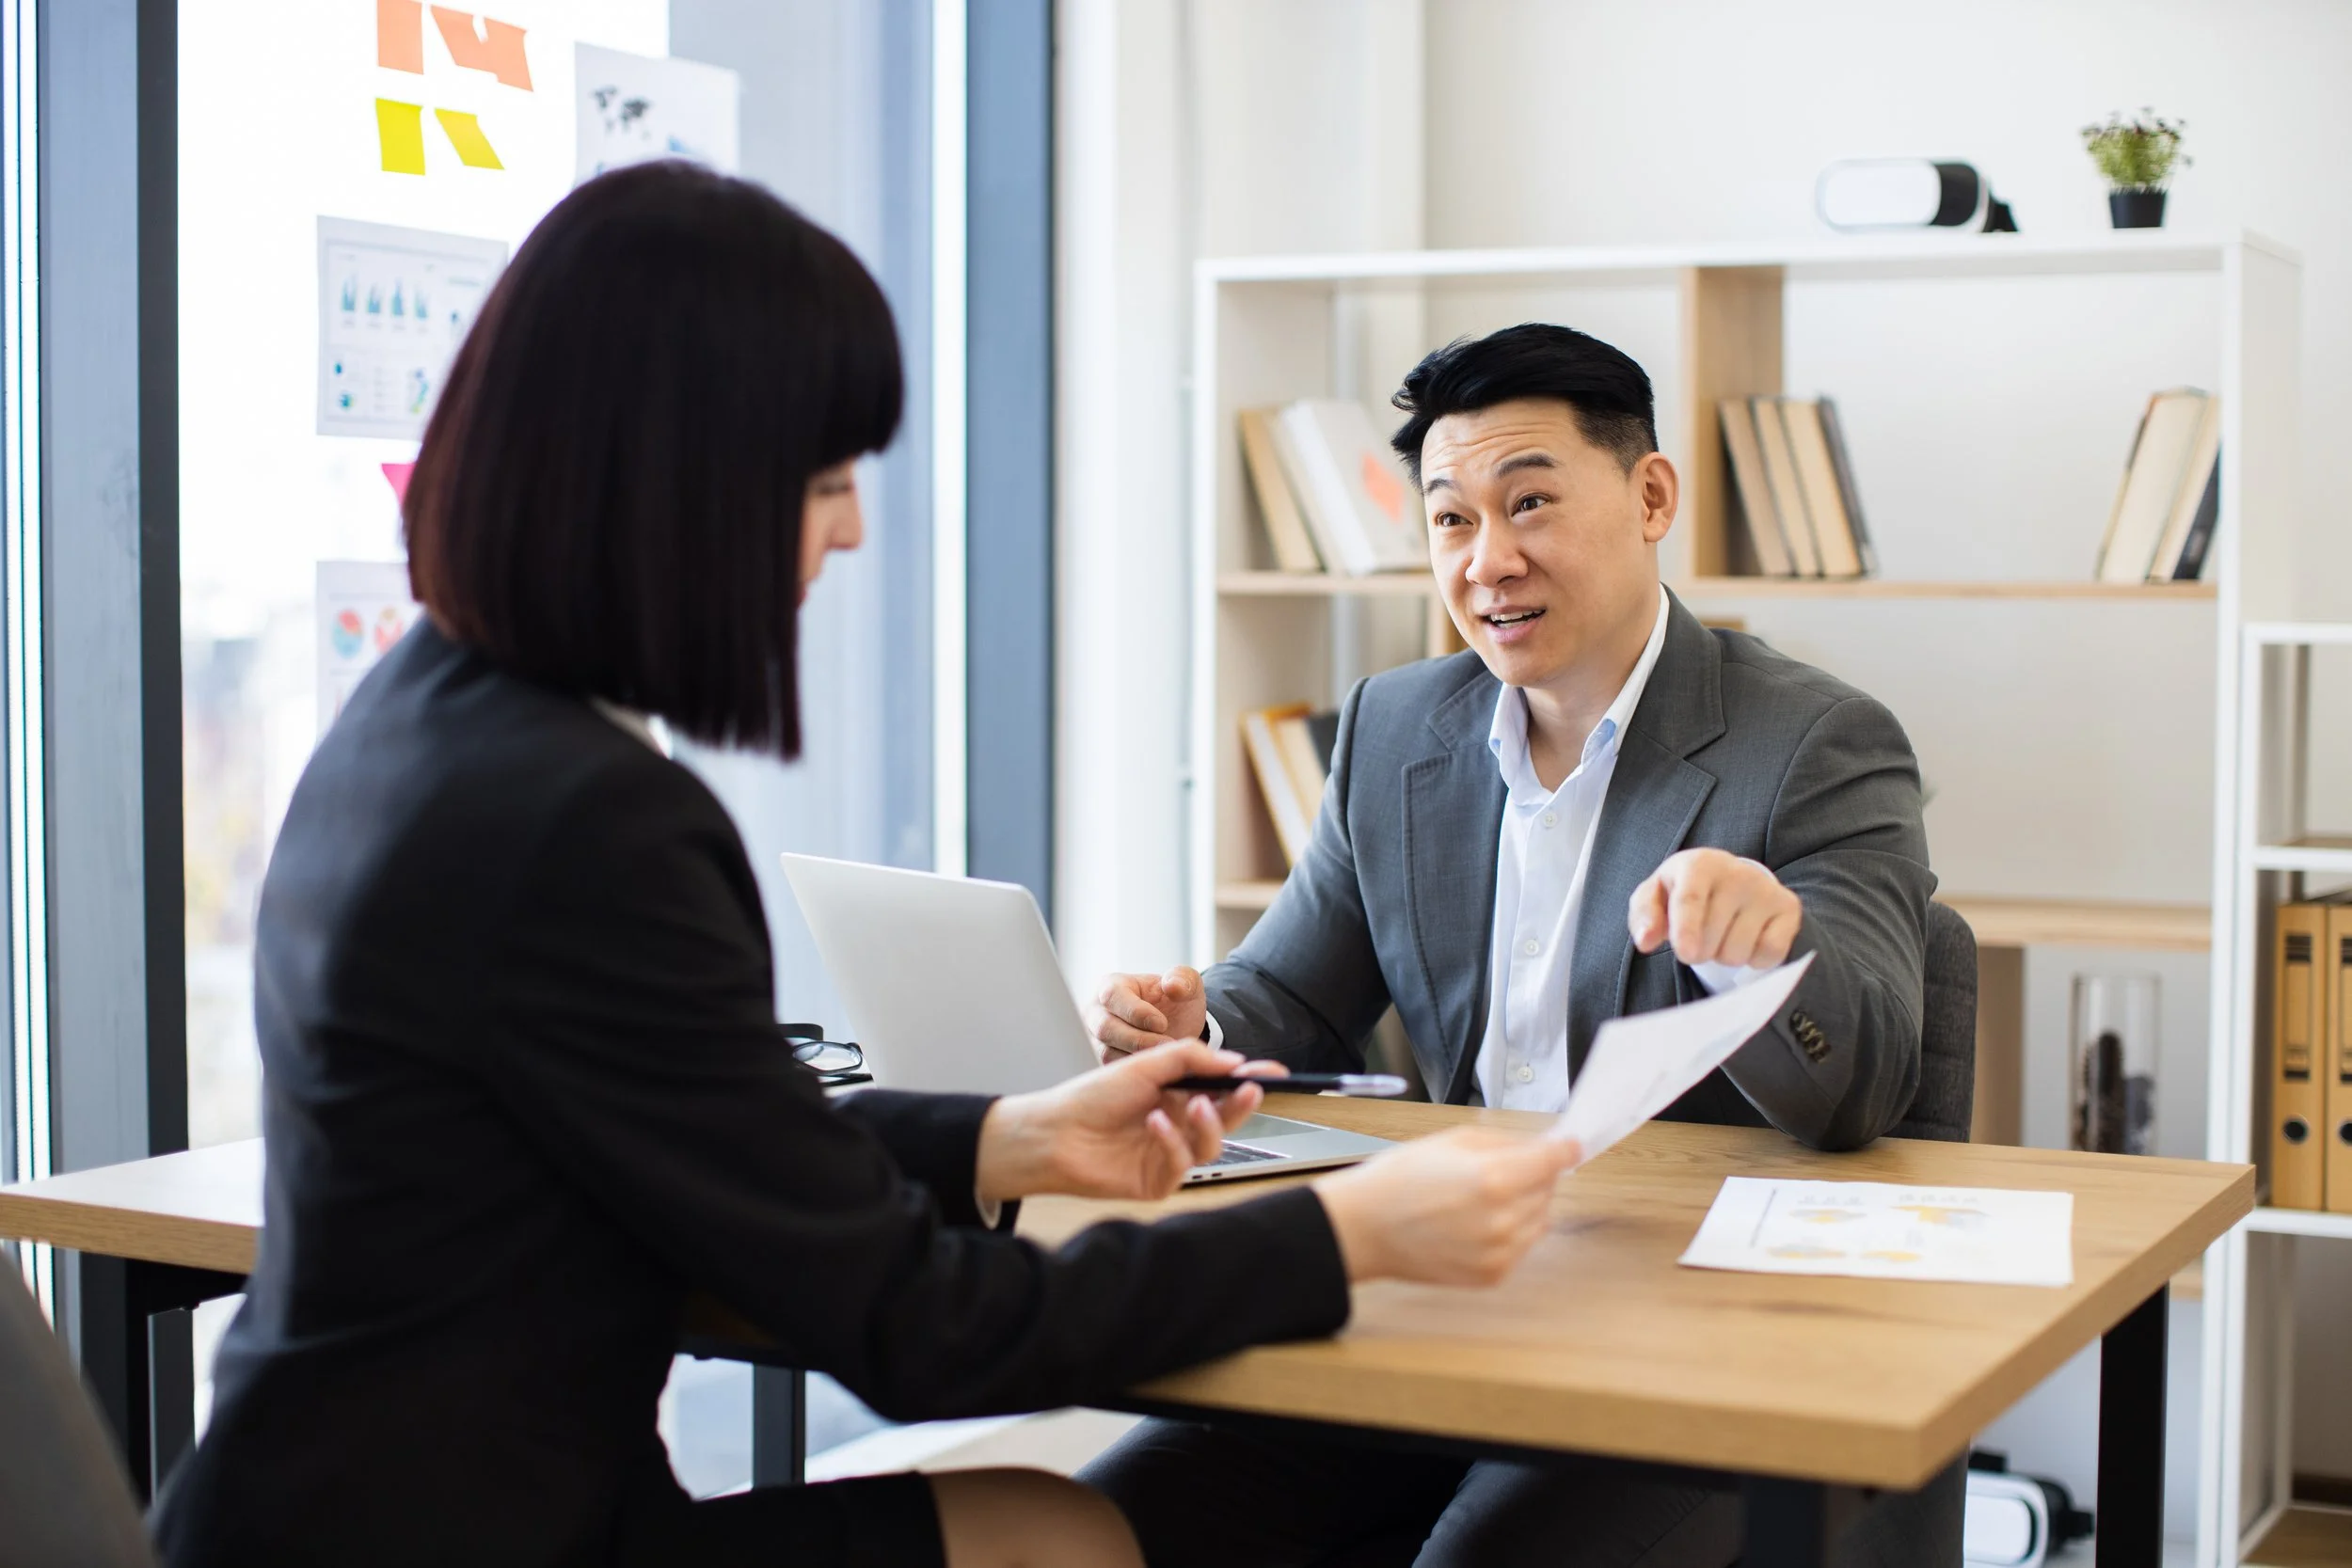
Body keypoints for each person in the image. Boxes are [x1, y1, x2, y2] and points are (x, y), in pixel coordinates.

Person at [150, 166, 1582, 1568]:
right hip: (491, 1535)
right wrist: (1345, 1230)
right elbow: (922, 1332)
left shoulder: (417, 721)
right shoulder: (585, 821)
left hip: (313, 1502)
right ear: (677, 479)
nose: (848, 525)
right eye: (824, 474)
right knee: (1059, 1534)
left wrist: (1006, 1137)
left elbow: (698, 1122)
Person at [1079, 324, 1962, 1566]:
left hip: (1686, 1332)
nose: (1490, 560)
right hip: (1444, 1289)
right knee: (1122, 1519)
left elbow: (1868, 1080)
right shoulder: (1397, 728)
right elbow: (1289, 985)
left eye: (1531, 501)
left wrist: (1764, 957)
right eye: (1452, 520)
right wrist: (1196, 1027)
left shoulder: (1815, 740)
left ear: (1651, 496)